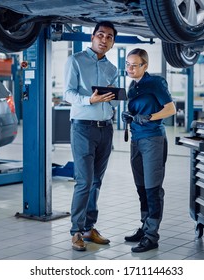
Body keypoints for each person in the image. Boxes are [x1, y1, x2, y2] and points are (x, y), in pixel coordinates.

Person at [63, 21, 119, 251]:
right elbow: (67, 93)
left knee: (96, 182)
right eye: (100, 35)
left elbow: (111, 96)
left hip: (105, 128)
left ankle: (88, 229)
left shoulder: (112, 69)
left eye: (109, 37)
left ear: (113, 42)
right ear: (92, 37)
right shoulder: (75, 60)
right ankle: (75, 231)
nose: (104, 40)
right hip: (83, 128)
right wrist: (90, 100)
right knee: (84, 181)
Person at [121, 48, 176, 253]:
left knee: (153, 189)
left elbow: (170, 109)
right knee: (141, 188)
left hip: (153, 139)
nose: (130, 68)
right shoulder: (133, 86)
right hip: (136, 140)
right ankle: (145, 227)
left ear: (145, 66)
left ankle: (152, 236)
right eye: (128, 64)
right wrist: (130, 116)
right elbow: (139, 110)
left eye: (135, 65)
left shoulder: (156, 82)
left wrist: (150, 117)